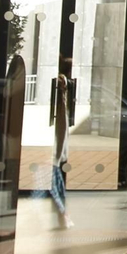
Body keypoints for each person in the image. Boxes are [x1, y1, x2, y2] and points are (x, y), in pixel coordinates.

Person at [48, 56, 76, 228]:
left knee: (57, 181)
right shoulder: (59, 89)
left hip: (57, 150)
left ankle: (63, 214)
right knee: (56, 182)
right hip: (54, 150)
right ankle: (62, 215)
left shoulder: (61, 91)